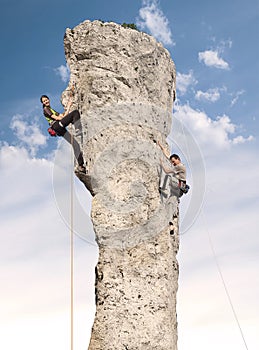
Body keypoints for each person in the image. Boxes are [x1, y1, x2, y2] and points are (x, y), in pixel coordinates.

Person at [40, 94, 86, 173]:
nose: (46, 101)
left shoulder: (51, 109)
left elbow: (63, 115)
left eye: (46, 99)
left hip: (59, 129)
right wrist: (62, 117)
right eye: (44, 101)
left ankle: (81, 166)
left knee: (75, 144)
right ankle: (78, 129)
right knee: (75, 113)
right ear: (43, 103)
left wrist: (68, 106)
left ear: (48, 99)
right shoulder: (46, 109)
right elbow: (58, 118)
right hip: (57, 125)